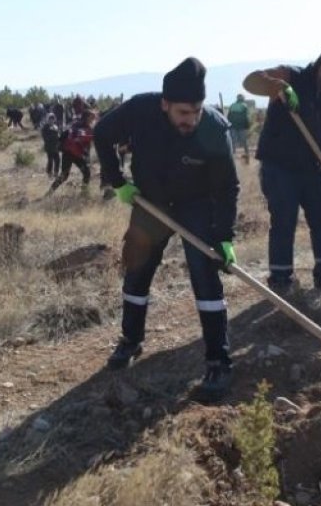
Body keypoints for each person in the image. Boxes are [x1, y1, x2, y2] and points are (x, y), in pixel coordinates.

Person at [94, 57, 239, 402]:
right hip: (152, 203)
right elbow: (102, 134)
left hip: (197, 204)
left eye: (196, 111)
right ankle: (131, 340)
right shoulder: (141, 110)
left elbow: (227, 189)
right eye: (182, 113)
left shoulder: (215, 131)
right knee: (136, 269)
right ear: (165, 104)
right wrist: (118, 182)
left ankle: (218, 360)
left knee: (205, 278)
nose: (190, 120)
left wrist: (224, 237)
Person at [244, 45, 321, 291]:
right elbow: (251, 81)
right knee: (284, 221)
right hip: (279, 167)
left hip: (312, 168)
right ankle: (281, 280)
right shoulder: (293, 76)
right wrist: (280, 87)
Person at [46, 111, 97, 194]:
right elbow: (82, 137)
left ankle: (84, 193)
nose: (93, 120)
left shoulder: (77, 124)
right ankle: (50, 192)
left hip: (73, 153)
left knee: (85, 173)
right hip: (71, 153)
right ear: (87, 117)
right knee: (66, 175)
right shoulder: (82, 127)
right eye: (91, 117)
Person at [226, 93, 252, 161]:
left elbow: (229, 116)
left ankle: (232, 156)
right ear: (243, 99)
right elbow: (246, 117)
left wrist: (228, 125)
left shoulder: (232, 105)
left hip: (233, 126)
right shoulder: (244, 106)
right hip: (241, 126)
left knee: (233, 141)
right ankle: (247, 153)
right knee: (244, 141)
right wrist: (247, 127)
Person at [41, 113, 62, 178]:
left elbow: (59, 135)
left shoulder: (55, 126)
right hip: (49, 146)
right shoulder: (45, 127)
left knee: (57, 160)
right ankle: (49, 173)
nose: (51, 120)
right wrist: (54, 136)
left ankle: (56, 172)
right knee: (50, 160)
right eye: (50, 119)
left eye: (53, 119)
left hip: (56, 146)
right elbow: (45, 137)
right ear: (48, 119)